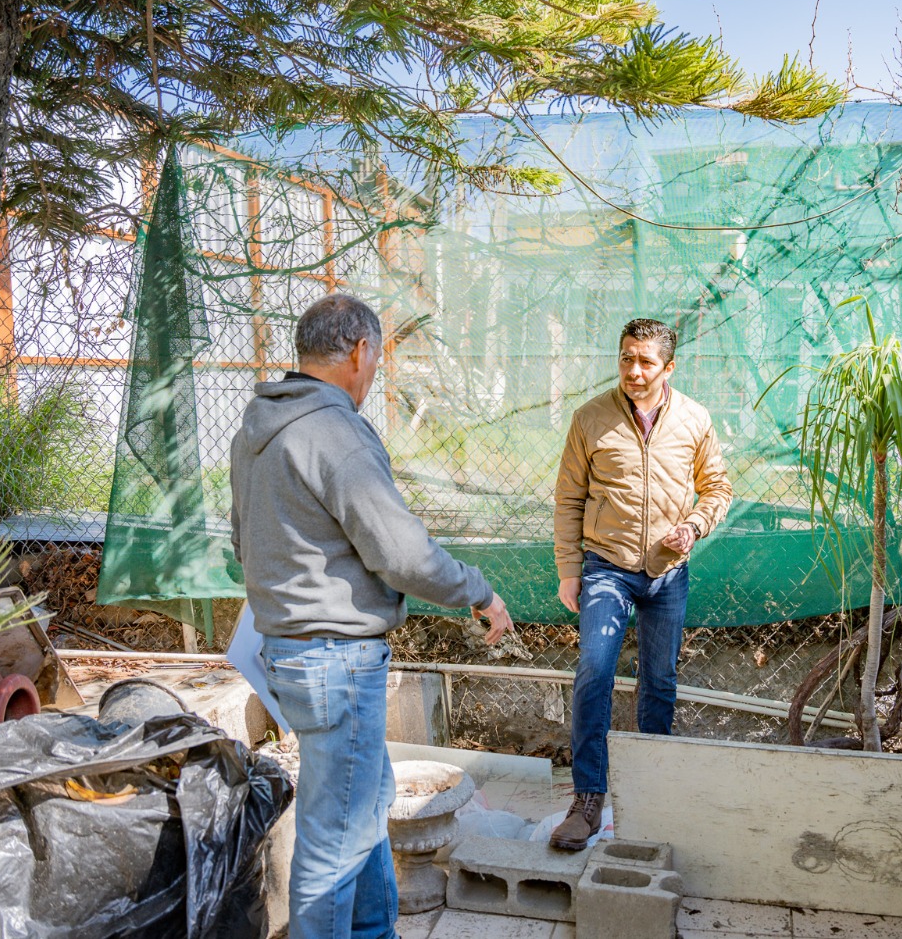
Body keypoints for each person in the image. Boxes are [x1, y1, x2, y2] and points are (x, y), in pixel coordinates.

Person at [230, 294, 513, 938]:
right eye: (377, 359)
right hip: (336, 659)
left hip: (285, 648)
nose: (374, 372)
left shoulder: (258, 428)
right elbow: (401, 553)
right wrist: (477, 591)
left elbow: (244, 543)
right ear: (360, 352)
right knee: (335, 841)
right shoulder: (335, 431)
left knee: (364, 806)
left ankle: (375, 931)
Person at [549, 318, 733, 851]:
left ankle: (653, 792)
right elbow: (568, 498)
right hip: (606, 566)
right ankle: (587, 799)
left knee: (659, 681)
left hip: (668, 572)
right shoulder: (590, 419)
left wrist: (694, 526)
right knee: (594, 670)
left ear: (668, 367)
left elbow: (717, 487)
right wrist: (568, 569)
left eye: (645, 361)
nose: (634, 369)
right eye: (626, 357)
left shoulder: (694, 419)